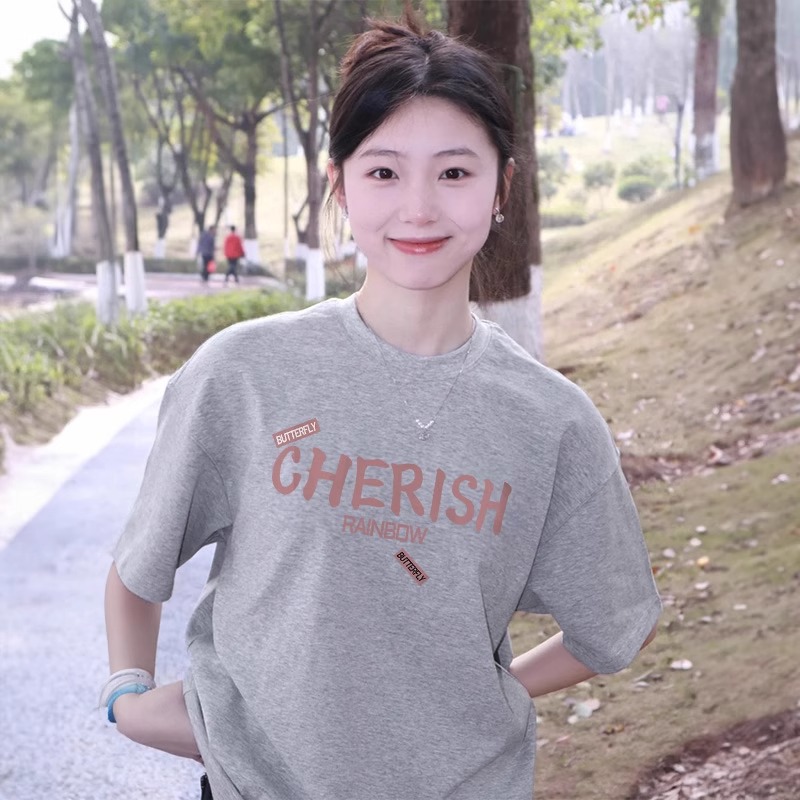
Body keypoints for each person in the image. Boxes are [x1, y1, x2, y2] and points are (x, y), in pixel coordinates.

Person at [101, 15, 661, 800]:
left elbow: (612, 625)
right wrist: (127, 694)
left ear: (502, 187)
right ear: (340, 186)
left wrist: (477, 702)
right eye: (385, 172)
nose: (419, 209)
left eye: (455, 172)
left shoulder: (552, 421)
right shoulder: (245, 374)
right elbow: (139, 566)